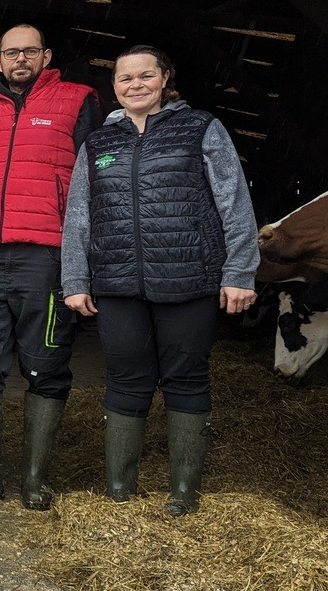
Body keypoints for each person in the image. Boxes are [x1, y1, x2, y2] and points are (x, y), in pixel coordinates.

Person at [61, 45, 259, 517]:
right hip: (116, 283)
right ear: (114, 87)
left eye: (145, 75)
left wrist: (238, 272)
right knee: (126, 377)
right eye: (124, 79)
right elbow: (78, 218)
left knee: (186, 377)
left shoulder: (201, 128)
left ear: (165, 78)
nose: (135, 85)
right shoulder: (98, 145)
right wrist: (74, 278)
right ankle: (119, 489)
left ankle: (184, 490)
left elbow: (234, 202)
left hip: (189, 278)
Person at [0, 24, 101, 511]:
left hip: (46, 253)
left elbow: (99, 172)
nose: (21, 59)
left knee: (45, 362)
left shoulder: (79, 99)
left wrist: (88, 257)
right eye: (12, 52)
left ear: (46, 56)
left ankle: (33, 480)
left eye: (30, 51)